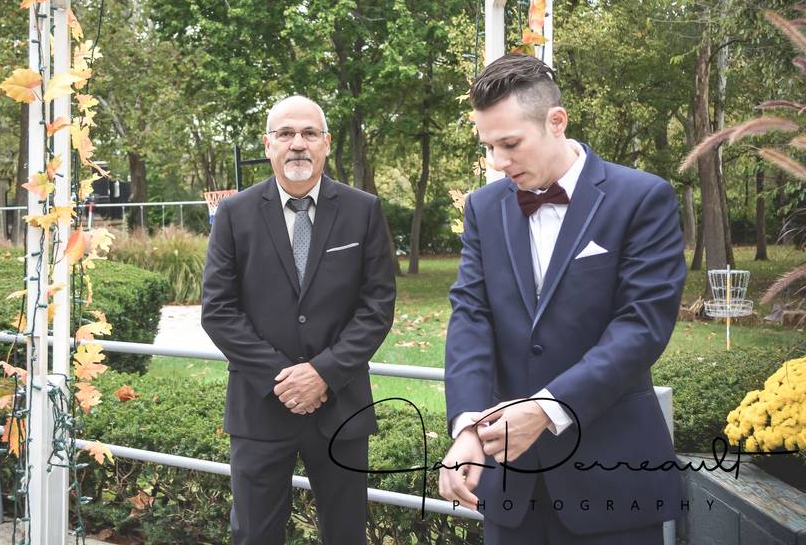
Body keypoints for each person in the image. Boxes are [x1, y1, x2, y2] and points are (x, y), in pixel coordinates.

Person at [438, 53, 686, 544]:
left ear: (556, 121)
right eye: (489, 146)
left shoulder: (642, 198)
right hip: (509, 486)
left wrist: (548, 408)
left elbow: (640, 326)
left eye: (510, 143)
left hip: (613, 480)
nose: (498, 162)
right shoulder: (484, 208)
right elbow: (470, 316)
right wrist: (467, 425)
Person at [201, 95, 397, 545]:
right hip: (261, 407)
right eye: (286, 134)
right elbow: (218, 309)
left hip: (341, 407)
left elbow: (377, 305)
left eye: (309, 133)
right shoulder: (234, 214)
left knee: (347, 534)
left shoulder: (362, 210)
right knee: (254, 534)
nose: (298, 144)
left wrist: (323, 373)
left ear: (326, 144)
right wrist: (283, 379)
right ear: (268, 144)